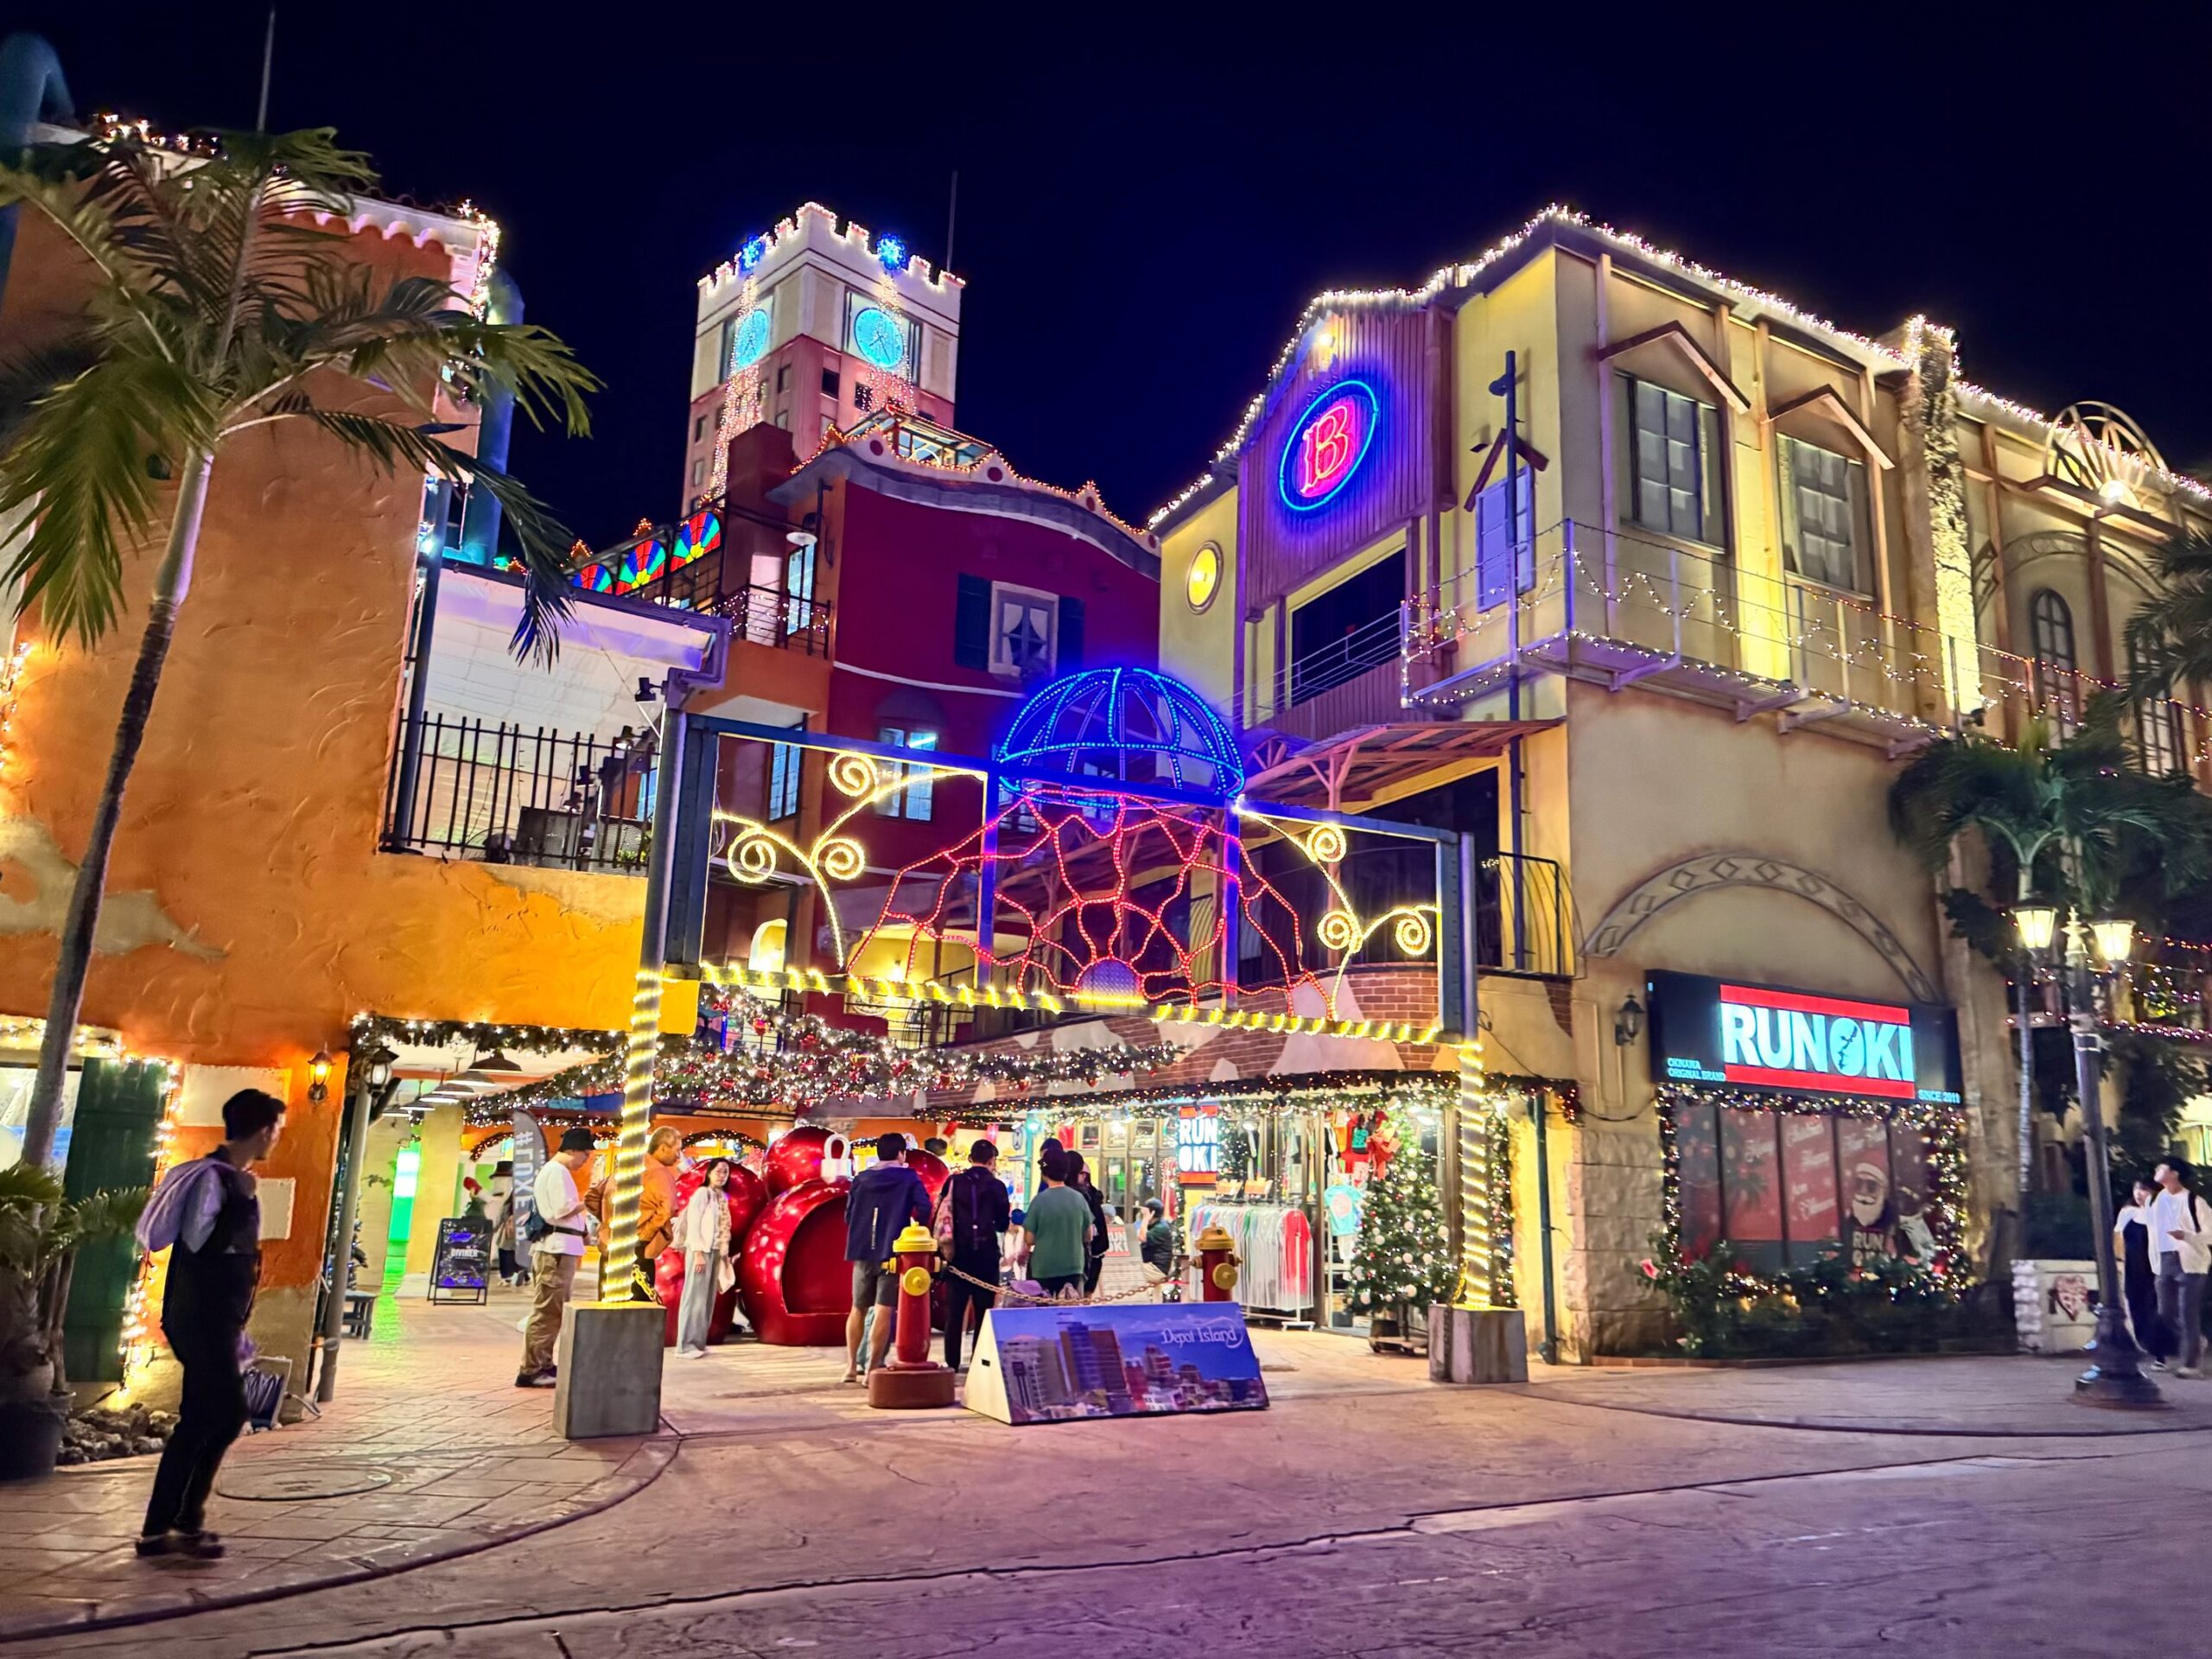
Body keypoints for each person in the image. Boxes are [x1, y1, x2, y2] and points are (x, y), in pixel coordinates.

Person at [133, 1089, 286, 1560]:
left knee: (202, 1418)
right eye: (277, 1130)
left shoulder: (231, 1178)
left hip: (214, 1319)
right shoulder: (217, 1180)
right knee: (227, 1414)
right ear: (264, 1130)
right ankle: (180, 1521)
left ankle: (166, 1528)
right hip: (202, 1318)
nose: (277, 1139)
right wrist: (241, 1202)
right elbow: (202, 1244)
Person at [842, 1132, 931, 1383]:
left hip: (861, 1250)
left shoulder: (861, 1179)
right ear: (901, 1154)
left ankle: (851, 1367)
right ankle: (872, 1370)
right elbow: (924, 1207)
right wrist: (915, 1229)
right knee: (884, 1308)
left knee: (858, 1308)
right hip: (891, 1251)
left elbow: (848, 1216)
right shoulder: (908, 1177)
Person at [517, 1128, 595, 1389]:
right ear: (573, 1150)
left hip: (559, 1249)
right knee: (547, 1312)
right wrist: (588, 1202)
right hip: (556, 1251)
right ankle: (532, 1369)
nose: (586, 1160)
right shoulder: (557, 1172)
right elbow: (561, 1209)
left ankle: (544, 1362)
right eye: (585, 1154)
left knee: (553, 1310)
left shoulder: (555, 1171)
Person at [938, 1140, 1011, 1371]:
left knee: (955, 1312)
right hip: (986, 1255)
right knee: (983, 1312)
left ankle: (952, 1362)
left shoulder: (954, 1181)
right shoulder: (997, 1186)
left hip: (957, 1255)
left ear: (970, 1159)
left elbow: (942, 1211)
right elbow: (1002, 1224)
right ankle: (979, 1362)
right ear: (991, 1161)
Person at [590, 1125, 683, 1298]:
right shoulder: (659, 1173)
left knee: (608, 1305)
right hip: (638, 1249)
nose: (679, 1156)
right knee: (637, 1305)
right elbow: (669, 1208)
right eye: (677, 1150)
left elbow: (592, 1197)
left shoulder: (627, 1166)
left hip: (611, 1246)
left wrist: (608, 1222)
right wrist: (646, 1232)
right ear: (663, 1148)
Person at [2149, 1160, 2212, 1377]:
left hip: (2190, 1261)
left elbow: (2210, 1233)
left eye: (2161, 1168)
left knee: (2188, 1313)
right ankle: (2196, 1341)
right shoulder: (2158, 1199)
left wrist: (2186, 1236)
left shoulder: (2194, 1201)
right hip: (2165, 1260)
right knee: (2165, 1313)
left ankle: (2190, 1364)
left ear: (2174, 1173)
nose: (2156, 1171)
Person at [674, 1160, 734, 1359]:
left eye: (725, 1172)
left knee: (707, 1300)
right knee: (694, 1299)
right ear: (709, 1173)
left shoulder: (721, 1197)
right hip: (701, 1251)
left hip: (715, 1251)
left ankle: (698, 1342)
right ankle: (685, 1345)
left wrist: (724, 1255)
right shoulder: (702, 1194)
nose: (722, 1175)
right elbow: (694, 1224)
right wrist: (698, 1253)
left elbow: (722, 1228)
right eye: (719, 1171)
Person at [2115, 1177, 2173, 1369]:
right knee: (2136, 1308)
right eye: (2136, 1189)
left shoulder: (2160, 1214)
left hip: (2154, 1269)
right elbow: (2118, 1238)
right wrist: (2119, 1260)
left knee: (2154, 1310)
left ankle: (2160, 1353)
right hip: (2133, 1269)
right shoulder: (2128, 1213)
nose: (2139, 1194)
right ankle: (2144, 1345)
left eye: (2144, 1190)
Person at [1022, 1146, 1093, 1299]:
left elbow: (1029, 1239)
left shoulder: (1039, 1201)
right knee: (1070, 1309)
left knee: (1044, 1309)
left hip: (1043, 1267)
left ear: (1044, 1172)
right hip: (1074, 1266)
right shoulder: (1079, 1199)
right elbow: (1088, 1236)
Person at [1065, 1150, 1112, 1294]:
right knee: (1083, 1297)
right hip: (1092, 1253)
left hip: (1083, 1256)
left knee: (1077, 1296)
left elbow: (1089, 1231)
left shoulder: (1080, 1196)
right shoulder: (1090, 1195)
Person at [1140, 1198, 1176, 1284]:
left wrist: (1145, 1219)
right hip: (1151, 1266)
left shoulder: (1161, 1228)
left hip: (1156, 1269)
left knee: (1130, 1270)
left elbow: (1142, 1237)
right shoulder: (1154, 1226)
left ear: (1152, 1213)